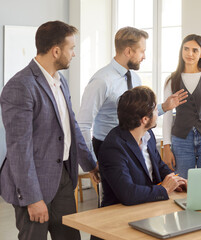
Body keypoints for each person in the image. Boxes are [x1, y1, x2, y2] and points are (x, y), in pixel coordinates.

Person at [0, 21, 99, 240]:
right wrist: (33, 199)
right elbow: (19, 149)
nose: (74, 54)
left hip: (63, 178)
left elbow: (71, 127)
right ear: (56, 51)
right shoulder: (21, 86)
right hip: (33, 182)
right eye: (71, 48)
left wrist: (91, 165)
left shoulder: (60, 81)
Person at [78, 26, 187, 162]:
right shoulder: (101, 81)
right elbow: (83, 125)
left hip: (133, 146)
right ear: (128, 51)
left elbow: (140, 116)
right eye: (142, 51)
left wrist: (164, 107)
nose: (144, 57)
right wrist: (92, 163)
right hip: (107, 148)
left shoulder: (135, 78)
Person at [98, 86, 187, 207]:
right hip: (119, 213)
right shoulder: (113, 148)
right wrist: (164, 189)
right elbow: (128, 193)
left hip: (147, 205)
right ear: (144, 119)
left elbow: (160, 167)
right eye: (156, 110)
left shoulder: (148, 134)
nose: (157, 114)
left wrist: (177, 181)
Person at [162, 34, 201, 178]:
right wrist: (166, 147)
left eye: (195, 50)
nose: (189, 54)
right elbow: (167, 115)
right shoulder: (171, 80)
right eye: (186, 49)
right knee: (182, 185)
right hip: (181, 140)